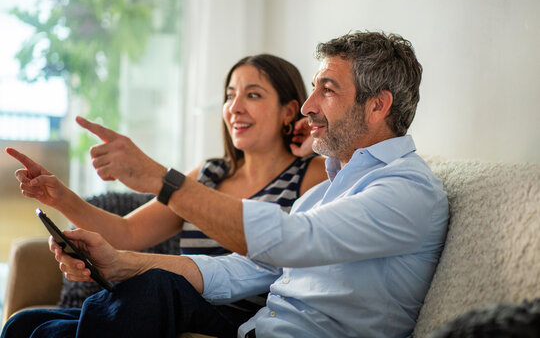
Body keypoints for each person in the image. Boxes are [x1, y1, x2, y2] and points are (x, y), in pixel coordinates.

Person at [3, 31, 449, 338]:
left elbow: (290, 241)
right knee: (26, 325)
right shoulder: (326, 189)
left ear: (377, 107)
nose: (309, 106)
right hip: (251, 329)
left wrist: (163, 179)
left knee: (151, 291)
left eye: (327, 90)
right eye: (313, 89)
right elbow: (247, 268)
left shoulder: (406, 191)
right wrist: (122, 263)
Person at [2, 54, 327, 336]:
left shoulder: (312, 174)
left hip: (244, 319)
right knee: (25, 324)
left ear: (289, 111)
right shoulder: (208, 175)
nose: (235, 108)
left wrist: (316, 140)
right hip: (168, 308)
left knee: (156, 284)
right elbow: (126, 233)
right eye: (230, 95)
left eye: (253, 95)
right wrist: (59, 197)